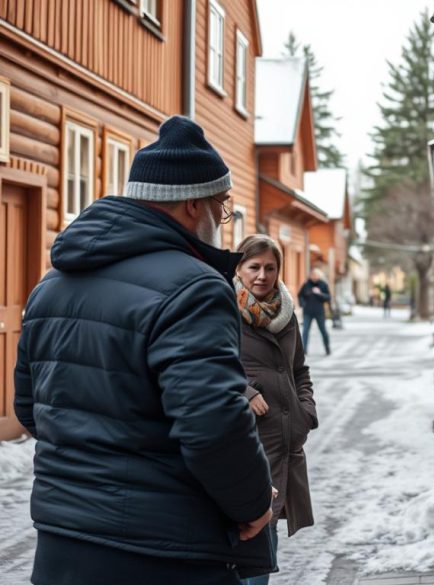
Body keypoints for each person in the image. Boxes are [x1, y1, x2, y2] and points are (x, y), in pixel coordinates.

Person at [13, 115, 275, 585]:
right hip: (163, 550)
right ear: (194, 205)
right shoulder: (194, 288)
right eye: (223, 206)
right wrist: (254, 503)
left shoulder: (51, 285)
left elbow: (31, 409)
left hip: (62, 543)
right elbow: (212, 424)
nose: (224, 219)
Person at [234, 235, 318, 585]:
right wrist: (245, 391)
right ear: (238, 268)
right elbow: (209, 365)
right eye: (254, 267)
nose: (262, 275)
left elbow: (299, 369)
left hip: (282, 438)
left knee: (266, 541)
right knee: (245, 535)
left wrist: (306, 410)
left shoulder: (286, 313)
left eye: (270, 267)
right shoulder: (222, 309)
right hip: (245, 441)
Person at [299, 269, 332, 355]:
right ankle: (304, 350)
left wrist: (319, 293)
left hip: (319, 312)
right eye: (312, 274)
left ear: (319, 275)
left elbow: (328, 297)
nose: (313, 276)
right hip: (307, 311)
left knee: (323, 330)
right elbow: (300, 295)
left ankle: (327, 347)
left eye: (315, 274)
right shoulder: (306, 284)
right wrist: (302, 304)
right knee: (305, 331)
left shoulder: (323, 285)